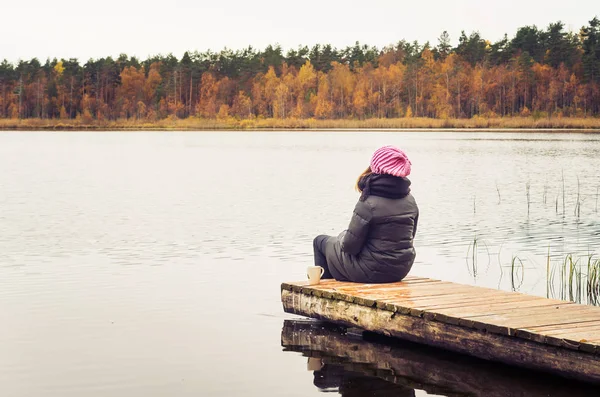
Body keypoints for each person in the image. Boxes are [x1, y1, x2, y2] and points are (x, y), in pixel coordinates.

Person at [313, 145, 419, 283]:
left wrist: (342, 236)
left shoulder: (368, 202)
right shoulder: (411, 200)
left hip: (370, 271)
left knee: (320, 241)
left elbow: (350, 247)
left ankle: (323, 290)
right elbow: (408, 238)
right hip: (400, 270)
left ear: (376, 168)